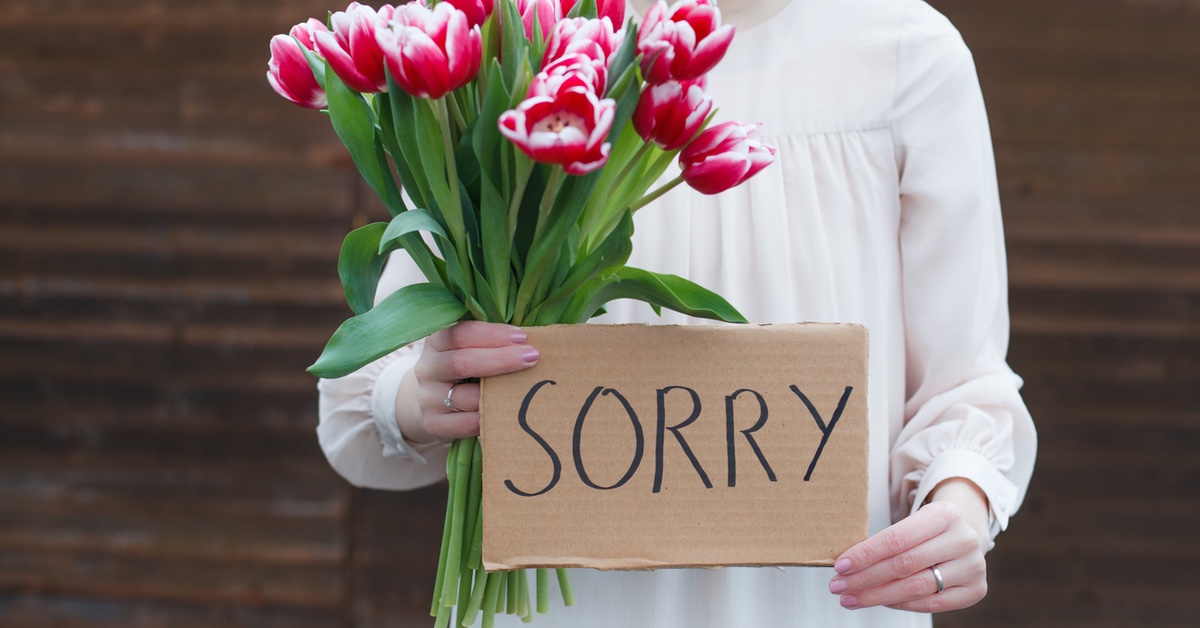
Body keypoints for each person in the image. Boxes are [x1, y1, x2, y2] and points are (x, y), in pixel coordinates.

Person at [317, 0, 1038, 625]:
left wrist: (962, 505)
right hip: (568, 608)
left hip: (818, 604)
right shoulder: (528, 42)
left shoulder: (910, 56)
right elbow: (367, 393)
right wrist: (426, 399)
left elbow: (964, 382)